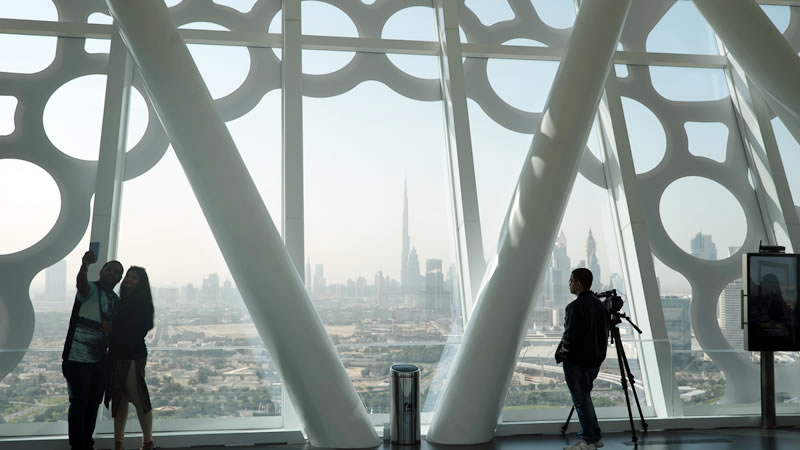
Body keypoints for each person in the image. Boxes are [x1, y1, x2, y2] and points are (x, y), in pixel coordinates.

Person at [62, 251, 123, 450]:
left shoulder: (114, 298)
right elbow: (81, 284)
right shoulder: (91, 290)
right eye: (109, 269)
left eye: (116, 272)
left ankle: (86, 443)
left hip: (99, 361)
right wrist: (84, 266)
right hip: (77, 359)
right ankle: (78, 445)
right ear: (102, 271)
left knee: (92, 404)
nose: (112, 274)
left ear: (119, 279)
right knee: (80, 403)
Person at [555, 268, 610, 450]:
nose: (569, 284)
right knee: (585, 399)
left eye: (571, 280)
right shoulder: (601, 306)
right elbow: (604, 335)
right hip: (594, 361)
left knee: (581, 400)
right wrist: (600, 356)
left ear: (578, 283)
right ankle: (596, 437)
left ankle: (587, 440)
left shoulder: (574, 307)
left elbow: (569, 337)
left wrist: (561, 355)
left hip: (576, 362)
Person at [108, 266, 155, 450]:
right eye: (128, 276)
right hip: (122, 353)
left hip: (131, 354)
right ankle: (120, 442)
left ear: (141, 283)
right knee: (121, 397)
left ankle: (147, 442)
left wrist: (111, 332)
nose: (128, 280)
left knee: (137, 396)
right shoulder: (125, 301)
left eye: (133, 277)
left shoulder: (137, 303)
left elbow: (135, 331)